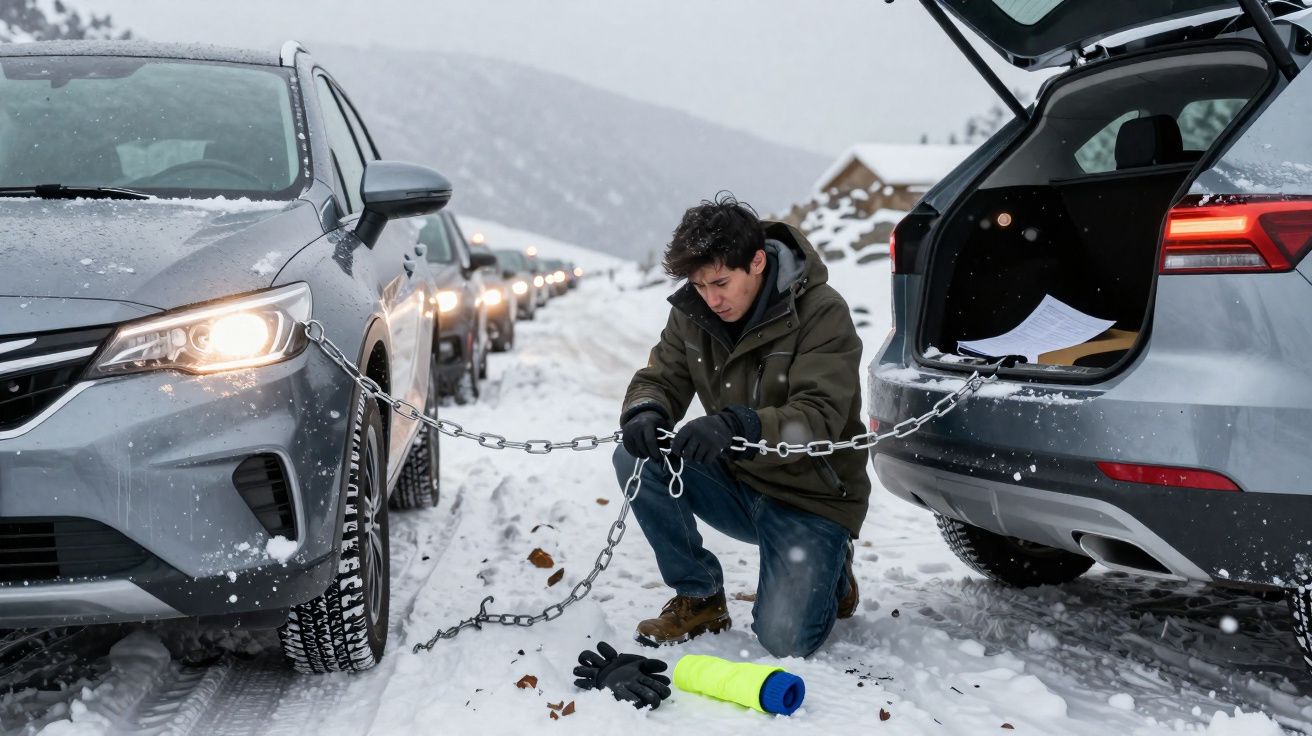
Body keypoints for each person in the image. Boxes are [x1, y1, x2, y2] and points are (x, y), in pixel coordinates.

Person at [611, 192, 869, 658]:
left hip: (810, 496)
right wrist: (645, 410)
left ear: (756, 262)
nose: (711, 299)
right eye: (700, 285)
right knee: (634, 456)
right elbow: (661, 376)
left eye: (721, 283)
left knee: (784, 641)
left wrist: (739, 425)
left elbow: (820, 415)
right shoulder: (694, 310)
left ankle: (831, 568)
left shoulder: (822, 311)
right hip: (737, 479)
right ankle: (700, 596)